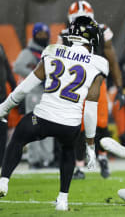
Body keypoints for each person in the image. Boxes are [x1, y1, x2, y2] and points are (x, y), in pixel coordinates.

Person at [0, 16, 109, 211]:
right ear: (91, 38)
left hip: (42, 118)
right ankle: (62, 200)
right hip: (70, 125)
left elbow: (25, 87)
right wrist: (90, 146)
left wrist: (4, 107)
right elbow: (90, 109)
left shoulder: (52, 51)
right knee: (68, 150)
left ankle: (4, 180)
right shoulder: (98, 63)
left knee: (18, 137)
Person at [59, 0, 125, 179]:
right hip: (76, 84)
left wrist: (119, 86)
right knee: (78, 125)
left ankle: (102, 157)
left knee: (101, 123)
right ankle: (79, 165)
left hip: (97, 82)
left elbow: (112, 59)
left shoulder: (102, 30)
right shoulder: (65, 35)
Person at [14, 22, 54, 169]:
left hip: (48, 93)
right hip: (34, 94)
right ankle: (34, 159)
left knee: (48, 127)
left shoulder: (50, 51)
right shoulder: (29, 52)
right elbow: (18, 66)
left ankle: (47, 159)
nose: (42, 37)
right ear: (34, 35)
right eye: (39, 35)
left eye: (45, 35)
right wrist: (36, 76)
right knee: (33, 126)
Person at [0, 43, 16, 166]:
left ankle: (1, 164)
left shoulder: (0, 46)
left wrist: (15, 91)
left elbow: (8, 71)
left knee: (2, 131)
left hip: (2, 98)